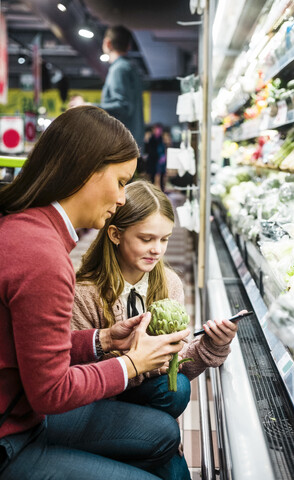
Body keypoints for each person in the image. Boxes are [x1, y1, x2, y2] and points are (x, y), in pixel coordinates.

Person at [0, 106, 191, 480]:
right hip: (11, 435)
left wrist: (102, 340)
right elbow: (51, 392)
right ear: (87, 173)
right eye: (121, 182)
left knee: (164, 432)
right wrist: (132, 364)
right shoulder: (42, 257)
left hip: (23, 413)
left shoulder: (27, 229)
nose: (122, 199)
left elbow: (34, 349)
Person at [72, 180, 239, 411]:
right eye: (146, 239)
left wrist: (212, 345)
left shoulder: (169, 283)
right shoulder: (84, 292)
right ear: (115, 234)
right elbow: (79, 374)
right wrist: (141, 363)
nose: (157, 249)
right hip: (96, 403)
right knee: (169, 419)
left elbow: (178, 363)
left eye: (164, 239)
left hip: (142, 393)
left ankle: (149, 435)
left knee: (178, 388)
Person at [69, 26, 144, 155]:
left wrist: (87, 106)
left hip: (119, 145)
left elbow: (123, 107)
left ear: (107, 43)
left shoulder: (119, 69)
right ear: (128, 47)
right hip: (127, 144)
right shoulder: (130, 69)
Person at [145, 124, 167, 191]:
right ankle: (151, 191)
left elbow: (163, 150)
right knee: (152, 178)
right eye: (156, 129)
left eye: (159, 130)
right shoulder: (151, 140)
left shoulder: (162, 140)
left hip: (161, 163)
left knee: (161, 179)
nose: (158, 131)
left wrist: (163, 157)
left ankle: (162, 192)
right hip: (153, 161)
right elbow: (149, 151)